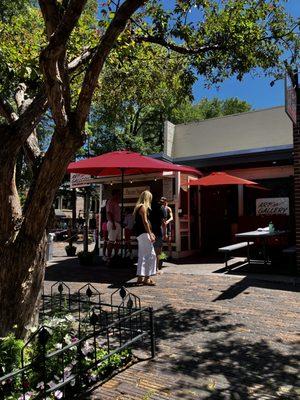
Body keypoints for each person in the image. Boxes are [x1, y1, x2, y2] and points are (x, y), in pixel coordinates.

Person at [133, 190, 156, 285]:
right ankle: (147, 278)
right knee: (151, 255)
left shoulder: (138, 207)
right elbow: (145, 222)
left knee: (142, 256)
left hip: (140, 234)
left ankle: (140, 278)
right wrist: (150, 233)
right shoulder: (143, 207)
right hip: (144, 234)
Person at [149, 196, 165, 272]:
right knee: (158, 251)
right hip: (158, 231)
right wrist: (165, 233)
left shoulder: (148, 207)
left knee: (150, 251)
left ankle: (151, 268)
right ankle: (156, 268)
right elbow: (163, 222)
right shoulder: (161, 208)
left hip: (149, 231)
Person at [106, 189, 121, 264]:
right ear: (114, 194)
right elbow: (109, 213)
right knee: (111, 241)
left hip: (117, 222)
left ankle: (115, 255)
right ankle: (108, 257)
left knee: (118, 241)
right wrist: (114, 224)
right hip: (113, 223)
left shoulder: (116, 202)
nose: (119, 196)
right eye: (118, 194)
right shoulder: (110, 202)